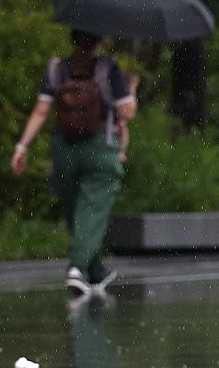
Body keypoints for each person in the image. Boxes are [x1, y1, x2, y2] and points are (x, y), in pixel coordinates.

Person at [11, 29, 138, 297]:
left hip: (64, 148)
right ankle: (77, 268)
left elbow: (41, 110)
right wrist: (132, 87)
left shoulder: (57, 69)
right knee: (92, 210)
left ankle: (98, 271)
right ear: (98, 42)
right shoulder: (108, 69)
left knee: (74, 209)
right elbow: (127, 111)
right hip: (100, 148)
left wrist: (22, 147)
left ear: (72, 40)